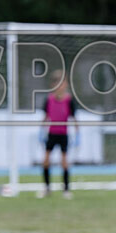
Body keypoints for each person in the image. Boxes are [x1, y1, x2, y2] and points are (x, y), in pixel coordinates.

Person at [39, 70, 77, 199]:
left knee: (64, 162)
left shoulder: (69, 101)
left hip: (63, 134)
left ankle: (66, 190)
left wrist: (78, 134)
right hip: (51, 134)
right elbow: (45, 117)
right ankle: (47, 188)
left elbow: (74, 118)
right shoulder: (49, 100)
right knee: (45, 161)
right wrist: (41, 130)